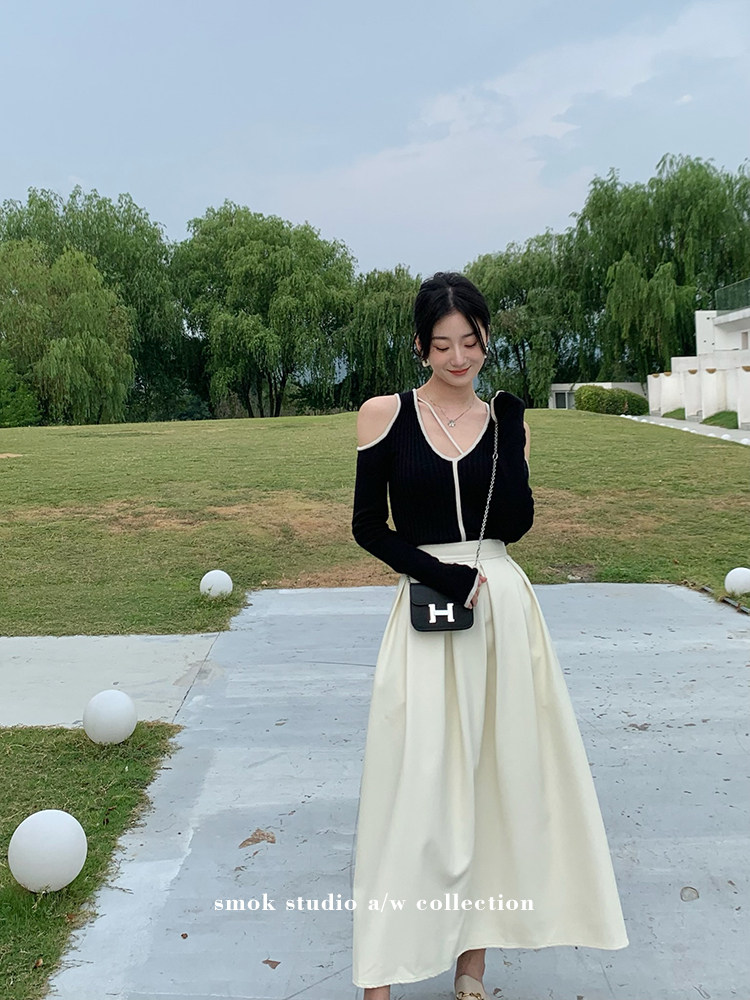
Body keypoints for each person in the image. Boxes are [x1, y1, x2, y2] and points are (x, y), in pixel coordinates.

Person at [349, 272, 628, 1000]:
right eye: (442, 344)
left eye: (470, 342)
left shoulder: (505, 420)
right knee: (412, 787)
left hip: (502, 610)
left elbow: (515, 526)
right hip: (428, 610)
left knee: (495, 781)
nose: (458, 358)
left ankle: (472, 965)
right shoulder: (384, 415)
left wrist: (516, 444)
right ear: (420, 346)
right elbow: (367, 527)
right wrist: (439, 574)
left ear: (485, 341)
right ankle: (380, 976)